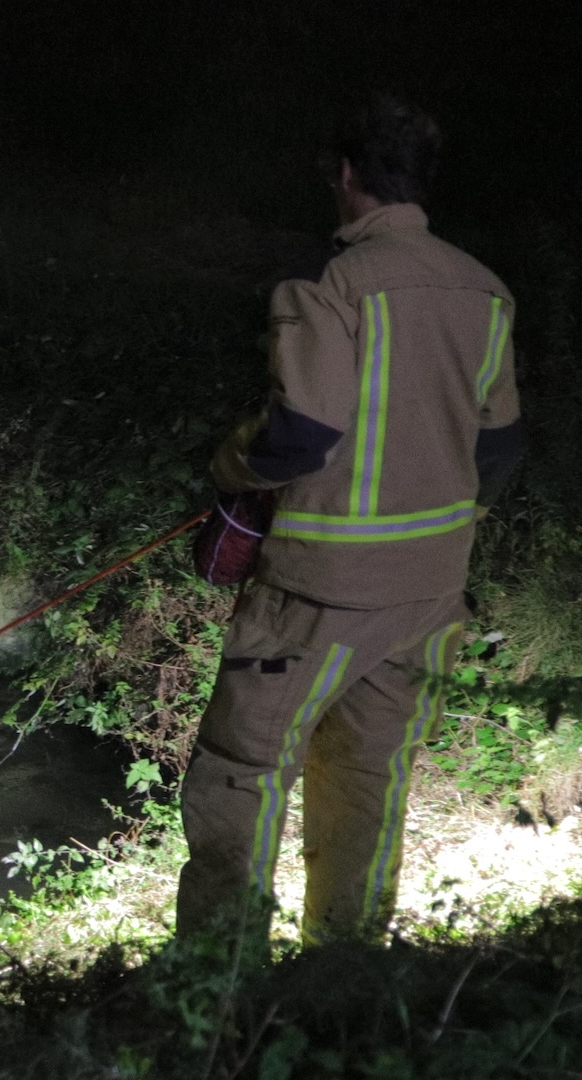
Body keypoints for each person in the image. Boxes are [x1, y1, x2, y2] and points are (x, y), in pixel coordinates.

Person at [176, 93, 527, 944]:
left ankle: (215, 988)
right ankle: (343, 971)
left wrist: (227, 466)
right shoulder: (484, 293)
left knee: (242, 774)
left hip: (317, 590)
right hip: (430, 594)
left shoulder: (329, 284)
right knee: (369, 776)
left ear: (344, 176)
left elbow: (301, 433)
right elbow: (501, 451)